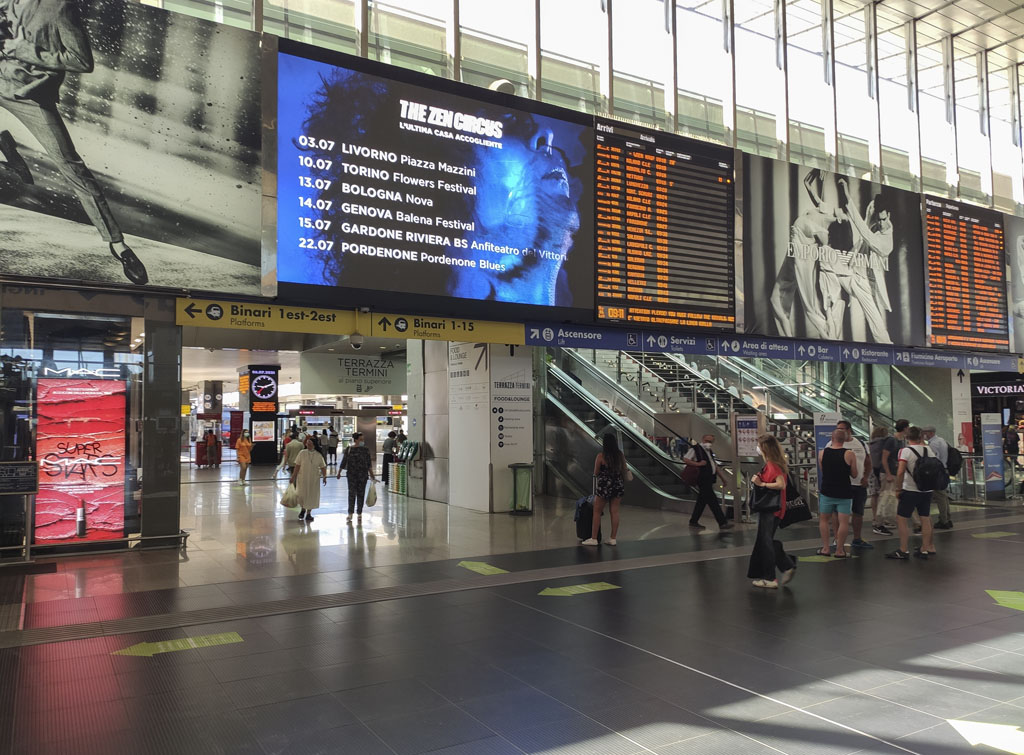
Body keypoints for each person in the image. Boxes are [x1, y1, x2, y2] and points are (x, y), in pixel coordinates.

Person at [0, 0, 148, 285]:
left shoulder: (59, 6)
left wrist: (23, 49)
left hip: (27, 94)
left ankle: (119, 246)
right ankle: (7, 147)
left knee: (73, 169)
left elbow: (81, 60)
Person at [747, 433, 796, 589]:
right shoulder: (775, 463)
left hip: (771, 510)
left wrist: (762, 485)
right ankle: (787, 564)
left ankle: (770, 578)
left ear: (765, 448)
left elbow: (781, 484)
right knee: (766, 540)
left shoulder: (772, 466)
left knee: (765, 542)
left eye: (759, 446)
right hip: (775, 509)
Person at [886, 426, 936, 560]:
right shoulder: (928, 450)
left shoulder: (905, 451)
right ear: (920, 437)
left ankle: (903, 549)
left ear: (907, 437)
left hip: (910, 489)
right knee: (925, 518)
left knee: (902, 519)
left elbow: (901, 471)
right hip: (926, 489)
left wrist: (898, 488)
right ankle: (925, 549)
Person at [817, 429, 858, 558]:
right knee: (844, 522)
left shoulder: (822, 453)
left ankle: (825, 548)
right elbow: (854, 474)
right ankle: (840, 550)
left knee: (824, 520)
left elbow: (823, 470)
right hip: (844, 492)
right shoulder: (849, 454)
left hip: (827, 491)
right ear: (845, 439)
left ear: (832, 438)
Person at [583, 433, 627, 546]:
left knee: (597, 511)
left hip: (604, 487)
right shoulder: (620, 455)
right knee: (615, 511)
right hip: (618, 485)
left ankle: (594, 539)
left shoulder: (601, 456)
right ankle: (613, 538)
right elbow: (625, 470)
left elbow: (596, 472)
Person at [683, 433, 733, 531]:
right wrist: (698, 464)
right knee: (712, 500)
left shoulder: (709, 451)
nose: (709, 443)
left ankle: (693, 521)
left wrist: (722, 478)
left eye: (711, 442)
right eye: (707, 441)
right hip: (702, 479)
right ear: (703, 440)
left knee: (702, 501)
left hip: (709, 478)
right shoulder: (696, 449)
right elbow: (686, 459)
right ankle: (722, 522)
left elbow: (714, 465)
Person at [837, 420, 872, 549]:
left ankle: (857, 538)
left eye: (841, 429)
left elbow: (868, 462)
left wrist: (866, 477)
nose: (839, 431)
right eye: (837, 429)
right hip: (841, 485)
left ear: (849, 430)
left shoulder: (861, 444)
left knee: (858, 512)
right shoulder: (833, 443)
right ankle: (837, 540)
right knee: (839, 513)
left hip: (858, 484)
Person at [337, 432, 375, 525]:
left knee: (361, 494)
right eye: (361, 439)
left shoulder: (365, 450)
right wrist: (339, 472)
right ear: (356, 440)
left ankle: (359, 513)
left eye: (363, 439)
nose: (363, 441)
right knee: (351, 494)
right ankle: (350, 513)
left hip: (363, 475)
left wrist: (372, 475)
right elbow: (344, 461)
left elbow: (368, 463)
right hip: (351, 475)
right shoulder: (349, 449)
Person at [290, 435, 327, 523]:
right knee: (302, 494)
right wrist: (293, 476)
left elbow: (323, 467)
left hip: (314, 479)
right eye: (307, 443)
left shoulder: (318, 455)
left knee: (311, 495)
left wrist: (325, 477)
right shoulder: (302, 453)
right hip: (302, 478)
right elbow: (297, 466)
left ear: (314, 444)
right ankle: (303, 509)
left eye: (310, 443)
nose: (308, 444)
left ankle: (308, 513)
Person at [922, 426, 953, 529]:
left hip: (937, 472)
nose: (923, 435)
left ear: (930, 433)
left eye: (924, 432)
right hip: (944, 470)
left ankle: (943, 520)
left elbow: (934, 458)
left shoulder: (933, 444)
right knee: (943, 496)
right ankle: (947, 518)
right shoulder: (941, 440)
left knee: (940, 496)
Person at [867, 425, 892, 535]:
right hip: (879, 471)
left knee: (874, 495)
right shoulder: (883, 444)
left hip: (872, 472)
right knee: (883, 495)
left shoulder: (871, 444)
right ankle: (882, 519)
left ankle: (875, 517)